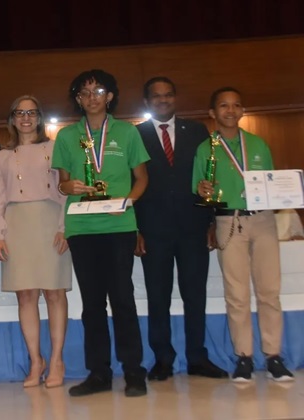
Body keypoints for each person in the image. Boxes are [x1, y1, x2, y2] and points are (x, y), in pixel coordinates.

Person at [52, 69, 150, 397]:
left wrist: (128, 203)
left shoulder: (127, 132)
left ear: (110, 96)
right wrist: (71, 185)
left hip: (119, 226)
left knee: (122, 299)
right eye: (84, 92)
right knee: (92, 304)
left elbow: (142, 178)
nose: (91, 97)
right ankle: (99, 373)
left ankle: (134, 371)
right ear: (77, 99)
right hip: (81, 227)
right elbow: (62, 183)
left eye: (98, 91)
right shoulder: (67, 136)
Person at [193, 87, 295, 383]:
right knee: (236, 294)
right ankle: (244, 358)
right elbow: (197, 190)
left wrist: (283, 195)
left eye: (237, 105)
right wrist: (202, 191)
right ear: (213, 113)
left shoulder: (258, 144)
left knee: (269, 291)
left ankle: (274, 356)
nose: (230, 110)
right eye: (223, 105)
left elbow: (273, 183)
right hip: (229, 222)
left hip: (262, 221)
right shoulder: (205, 148)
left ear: (242, 111)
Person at [134, 76, 227, 381]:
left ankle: (197, 358)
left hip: (193, 227)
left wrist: (212, 221)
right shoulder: (136, 135)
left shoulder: (198, 130)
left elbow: (207, 177)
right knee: (158, 297)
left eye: (169, 95)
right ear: (147, 102)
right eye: (157, 97)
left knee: (194, 295)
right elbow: (131, 183)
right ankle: (162, 359)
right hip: (153, 230)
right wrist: (135, 230)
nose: (163, 100)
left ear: (175, 98)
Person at [0, 95, 71, 388]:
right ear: (12, 118)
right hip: (16, 226)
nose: (25, 118)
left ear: (39, 117)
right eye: (19, 113)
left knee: (54, 294)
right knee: (25, 295)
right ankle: (36, 361)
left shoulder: (56, 148)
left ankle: (57, 360)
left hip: (50, 224)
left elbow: (65, 192)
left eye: (31, 113)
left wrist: (64, 228)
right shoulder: (1, 156)